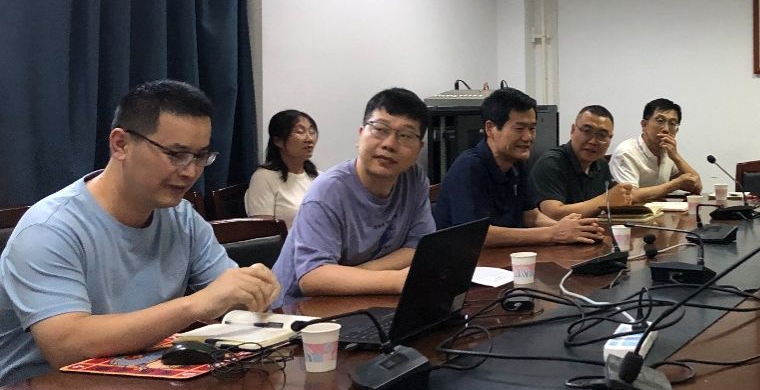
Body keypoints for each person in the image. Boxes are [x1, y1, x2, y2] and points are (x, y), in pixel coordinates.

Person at [0, 80, 280, 385]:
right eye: (175, 154)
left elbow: (224, 297)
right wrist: (193, 306)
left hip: (140, 387)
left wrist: (252, 290)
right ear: (121, 144)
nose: (189, 171)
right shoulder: (50, 229)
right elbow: (65, 345)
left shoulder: (182, 218)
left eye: (200, 157)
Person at [272, 88, 435, 297]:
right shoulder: (328, 191)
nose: (390, 144)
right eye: (380, 129)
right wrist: (394, 281)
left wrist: (358, 274)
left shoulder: (414, 179)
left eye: (406, 136)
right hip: (297, 308)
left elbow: (419, 246)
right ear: (360, 134)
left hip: (362, 298)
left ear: (419, 149)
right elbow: (313, 276)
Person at [434, 88, 607, 247]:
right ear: (490, 128)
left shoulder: (517, 163)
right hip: (469, 262)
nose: (528, 137)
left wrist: (573, 230)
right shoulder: (469, 167)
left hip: (507, 256)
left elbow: (531, 216)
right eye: (519, 128)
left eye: (532, 128)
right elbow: (477, 234)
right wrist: (552, 233)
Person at [529, 105, 635, 219]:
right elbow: (553, 214)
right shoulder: (551, 163)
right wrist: (605, 200)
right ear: (573, 130)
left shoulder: (601, 164)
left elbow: (614, 202)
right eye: (587, 131)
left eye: (602, 135)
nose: (593, 141)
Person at [608, 98, 702, 201]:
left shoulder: (668, 152)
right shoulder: (626, 152)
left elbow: (697, 186)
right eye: (660, 121)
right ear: (644, 125)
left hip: (660, 209)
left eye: (672, 123)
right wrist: (675, 184)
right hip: (630, 211)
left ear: (676, 130)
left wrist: (676, 157)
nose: (666, 129)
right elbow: (630, 196)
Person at [244, 109, 319, 226]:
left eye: (312, 132)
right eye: (300, 132)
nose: (309, 139)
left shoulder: (318, 177)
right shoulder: (264, 178)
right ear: (278, 141)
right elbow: (263, 231)